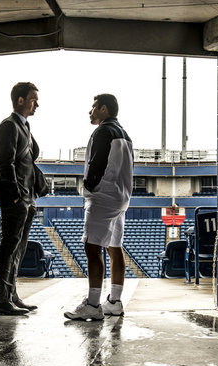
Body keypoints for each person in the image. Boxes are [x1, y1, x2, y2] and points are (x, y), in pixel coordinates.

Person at [64, 94, 134, 321]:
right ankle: (114, 302)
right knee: (115, 247)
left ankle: (93, 305)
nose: (90, 111)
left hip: (103, 197)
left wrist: (89, 186)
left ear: (104, 109)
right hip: (121, 198)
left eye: (93, 107)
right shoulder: (125, 134)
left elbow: (97, 165)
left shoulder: (103, 131)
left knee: (92, 248)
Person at [0, 82, 43, 316]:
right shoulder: (8, 126)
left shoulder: (25, 127)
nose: (37, 104)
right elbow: (6, 164)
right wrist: (15, 198)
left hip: (28, 198)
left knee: (19, 248)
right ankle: (1, 300)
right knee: (9, 246)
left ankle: (11, 295)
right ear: (20, 100)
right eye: (33, 99)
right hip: (17, 199)